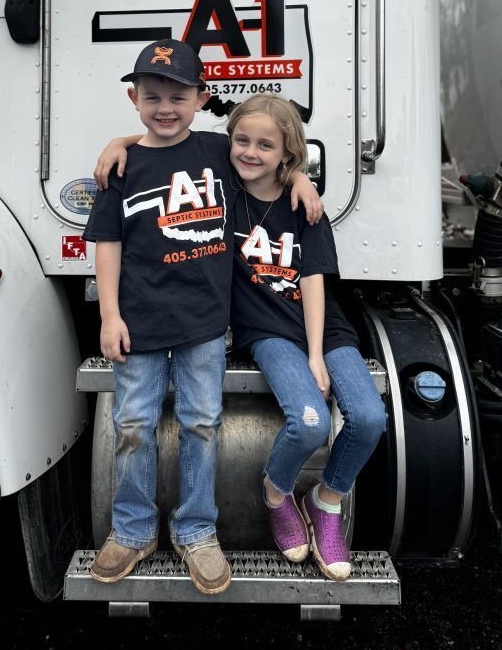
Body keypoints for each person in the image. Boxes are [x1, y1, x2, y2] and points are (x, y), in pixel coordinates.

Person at [85, 40, 321, 595]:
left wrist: (301, 179)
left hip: (205, 325)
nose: (165, 107)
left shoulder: (219, 150)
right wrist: (110, 317)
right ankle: (134, 530)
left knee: (201, 424)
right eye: (152, 97)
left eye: (178, 96)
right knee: (133, 426)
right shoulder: (122, 167)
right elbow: (108, 246)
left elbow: (268, 162)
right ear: (133, 98)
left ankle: (196, 532)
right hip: (138, 325)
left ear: (201, 99)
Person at [226, 94, 386, 580]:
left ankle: (326, 500)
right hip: (266, 330)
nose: (250, 152)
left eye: (266, 146)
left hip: (324, 329)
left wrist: (317, 355)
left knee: (369, 416)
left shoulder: (305, 207)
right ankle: (276, 493)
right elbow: (170, 136)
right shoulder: (224, 191)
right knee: (311, 422)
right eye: (242, 140)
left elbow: (313, 280)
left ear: (288, 154)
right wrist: (121, 143)